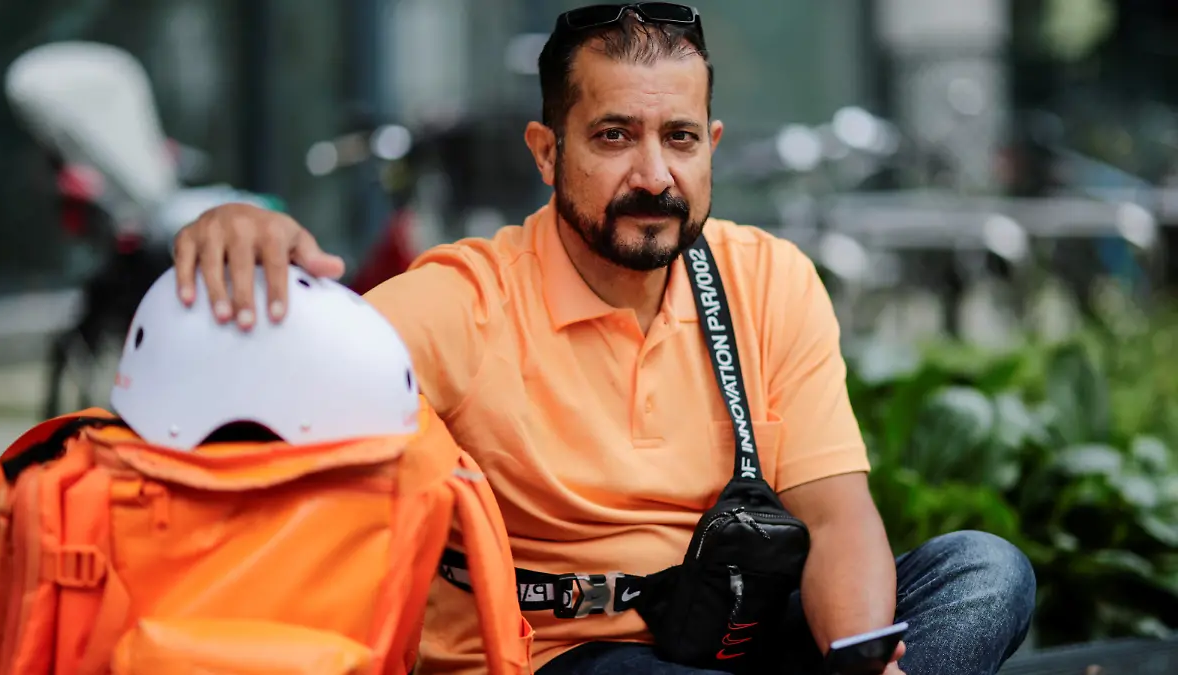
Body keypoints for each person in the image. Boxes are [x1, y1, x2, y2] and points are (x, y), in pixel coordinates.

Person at [170, 4, 1036, 674]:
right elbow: (255, 399)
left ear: (712, 148)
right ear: (547, 153)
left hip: (735, 632)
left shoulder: (768, 278)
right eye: (615, 136)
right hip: (560, 654)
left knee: (984, 571)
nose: (653, 174)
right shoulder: (459, 304)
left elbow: (839, 519)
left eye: (680, 138)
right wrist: (240, 231)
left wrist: (858, 659)